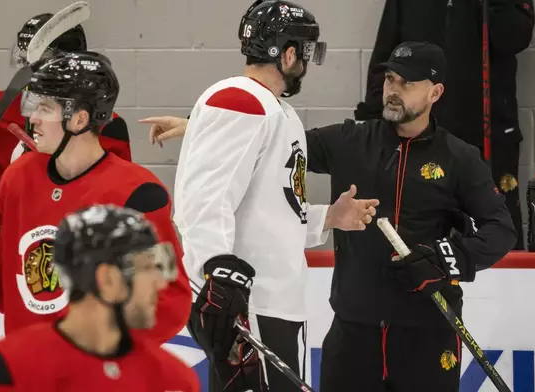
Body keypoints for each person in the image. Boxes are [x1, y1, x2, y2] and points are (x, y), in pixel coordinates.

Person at [140, 41, 516, 392]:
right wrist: (201, 124)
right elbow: (270, 139)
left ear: (435, 93)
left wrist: (445, 259)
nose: (393, 89)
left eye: (407, 82)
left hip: (427, 329)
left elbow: (500, 230)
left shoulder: (459, 158)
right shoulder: (351, 140)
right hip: (353, 332)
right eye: (389, 79)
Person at [142, 1, 378, 391]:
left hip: (275, 304)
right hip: (247, 304)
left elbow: (271, 212)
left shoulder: (277, 111)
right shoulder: (242, 101)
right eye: (305, 54)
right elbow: (202, 200)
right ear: (288, 54)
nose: (305, 65)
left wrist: (327, 219)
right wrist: (218, 275)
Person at [0, 50, 191, 346]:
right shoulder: (18, 179)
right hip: (27, 369)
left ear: (79, 119)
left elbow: (170, 299)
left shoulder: (138, 193)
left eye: (44, 108)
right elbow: (10, 277)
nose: (33, 120)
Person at [355, 0, 535, 250]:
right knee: (416, 234)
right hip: (420, 133)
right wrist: (374, 120)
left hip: (488, 134)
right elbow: (387, 53)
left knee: (494, 230)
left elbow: (514, 38)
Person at [0, 204, 201, 391]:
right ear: (107, 279)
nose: (161, 283)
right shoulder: (5, 372)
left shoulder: (173, 380)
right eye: (146, 268)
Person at [0, 12, 131, 184]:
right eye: (23, 61)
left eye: (41, 64)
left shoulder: (104, 125)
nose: (29, 72)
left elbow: (117, 191)